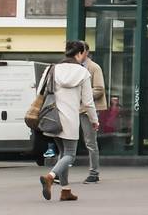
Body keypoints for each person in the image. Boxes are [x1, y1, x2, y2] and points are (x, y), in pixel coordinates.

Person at [31, 43, 96, 202]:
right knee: (70, 155)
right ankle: (50, 177)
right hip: (70, 119)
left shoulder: (51, 69)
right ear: (80, 54)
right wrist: (94, 120)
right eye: (85, 53)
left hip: (52, 118)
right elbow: (88, 102)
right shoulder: (83, 72)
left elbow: (40, 91)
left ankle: (66, 191)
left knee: (63, 154)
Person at [78, 42, 111, 184]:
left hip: (88, 110)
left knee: (90, 142)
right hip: (74, 109)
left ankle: (94, 172)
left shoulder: (93, 67)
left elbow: (99, 89)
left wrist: (80, 95)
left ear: (86, 52)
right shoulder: (73, 68)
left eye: (80, 51)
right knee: (66, 141)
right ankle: (59, 172)